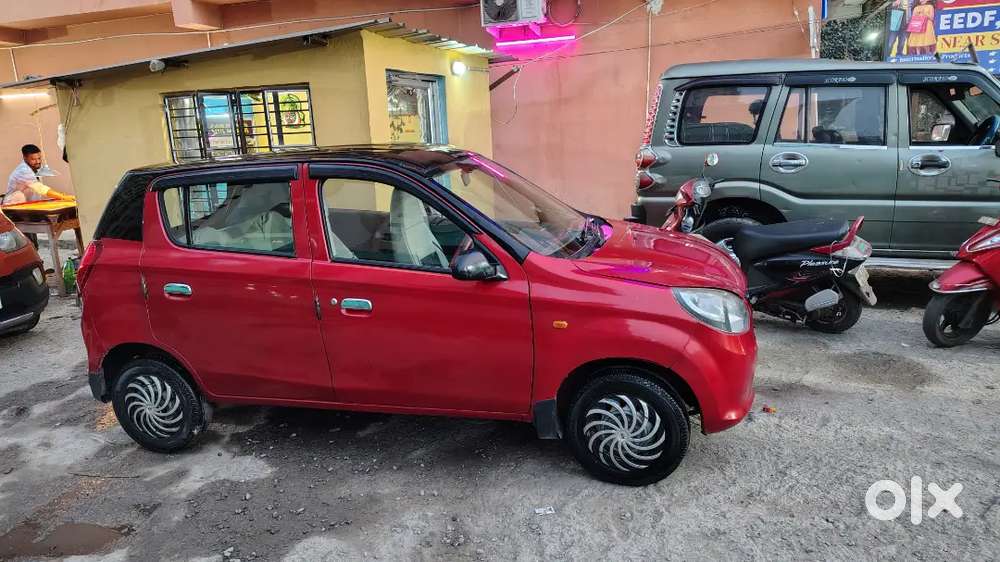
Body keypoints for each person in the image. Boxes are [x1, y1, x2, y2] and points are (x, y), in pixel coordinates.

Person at [3, 144, 74, 206]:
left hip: (27, 205)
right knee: (19, 196)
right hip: (11, 205)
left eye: (39, 158)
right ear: (25, 158)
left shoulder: (35, 167)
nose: (38, 162)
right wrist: (63, 196)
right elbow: (40, 188)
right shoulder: (23, 170)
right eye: (33, 159)